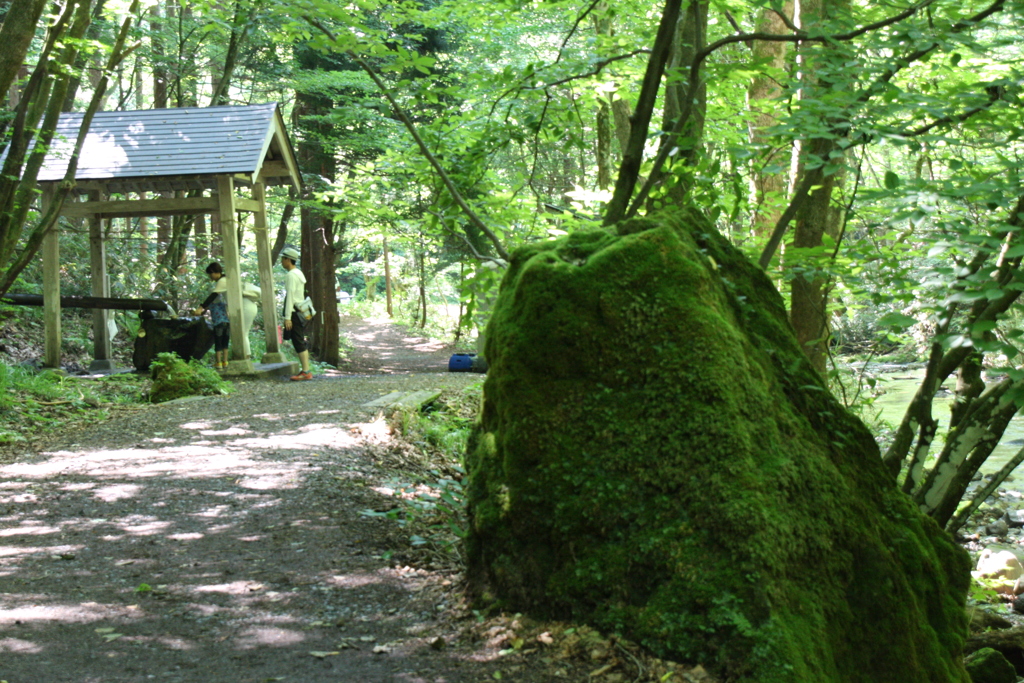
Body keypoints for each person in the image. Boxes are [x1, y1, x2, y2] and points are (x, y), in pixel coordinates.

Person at [281, 246, 313, 381]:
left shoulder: (291, 275)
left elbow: (290, 297)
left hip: (294, 312)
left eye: (283, 259)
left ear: (288, 260)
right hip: (302, 311)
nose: (281, 262)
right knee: (298, 339)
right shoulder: (299, 273)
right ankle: (306, 370)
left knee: (298, 340)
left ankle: (306, 371)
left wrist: (287, 317)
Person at [193, 262, 230, 369]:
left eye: (210, 274)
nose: (210, 276)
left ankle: (218, 363)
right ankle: (225, 362)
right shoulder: (222, 299)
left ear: (215, 272)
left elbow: (212, 297)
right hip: (227, 322)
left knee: (218, 343)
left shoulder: (222, 281)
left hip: (218, 323)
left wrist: (200, 308)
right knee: (225, 343)